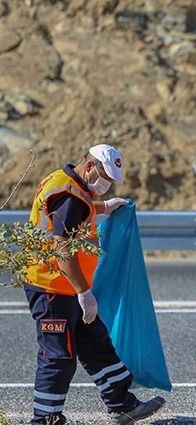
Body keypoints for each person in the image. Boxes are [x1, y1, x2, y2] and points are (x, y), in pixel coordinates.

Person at [23, 144, 165, 425]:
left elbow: (72, 216)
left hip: (67, 287)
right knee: (59, 356)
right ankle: (45, 418)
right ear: (89, 166)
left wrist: (103, 207)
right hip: (53, 288)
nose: (107, 184)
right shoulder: (70, 195)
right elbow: (62, 246)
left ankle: (122, 405)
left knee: (96, 343)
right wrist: (84, 292)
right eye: (105, 176)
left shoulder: (70, 187)